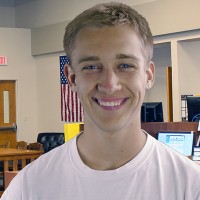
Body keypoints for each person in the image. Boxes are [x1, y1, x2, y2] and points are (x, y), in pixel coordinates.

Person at [1, 2, 200, 200]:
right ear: (72, 78)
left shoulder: (190, 185)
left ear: (148, 76)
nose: (109, 84)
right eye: (91, 67)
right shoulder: (30, 186)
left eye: (125, 65)